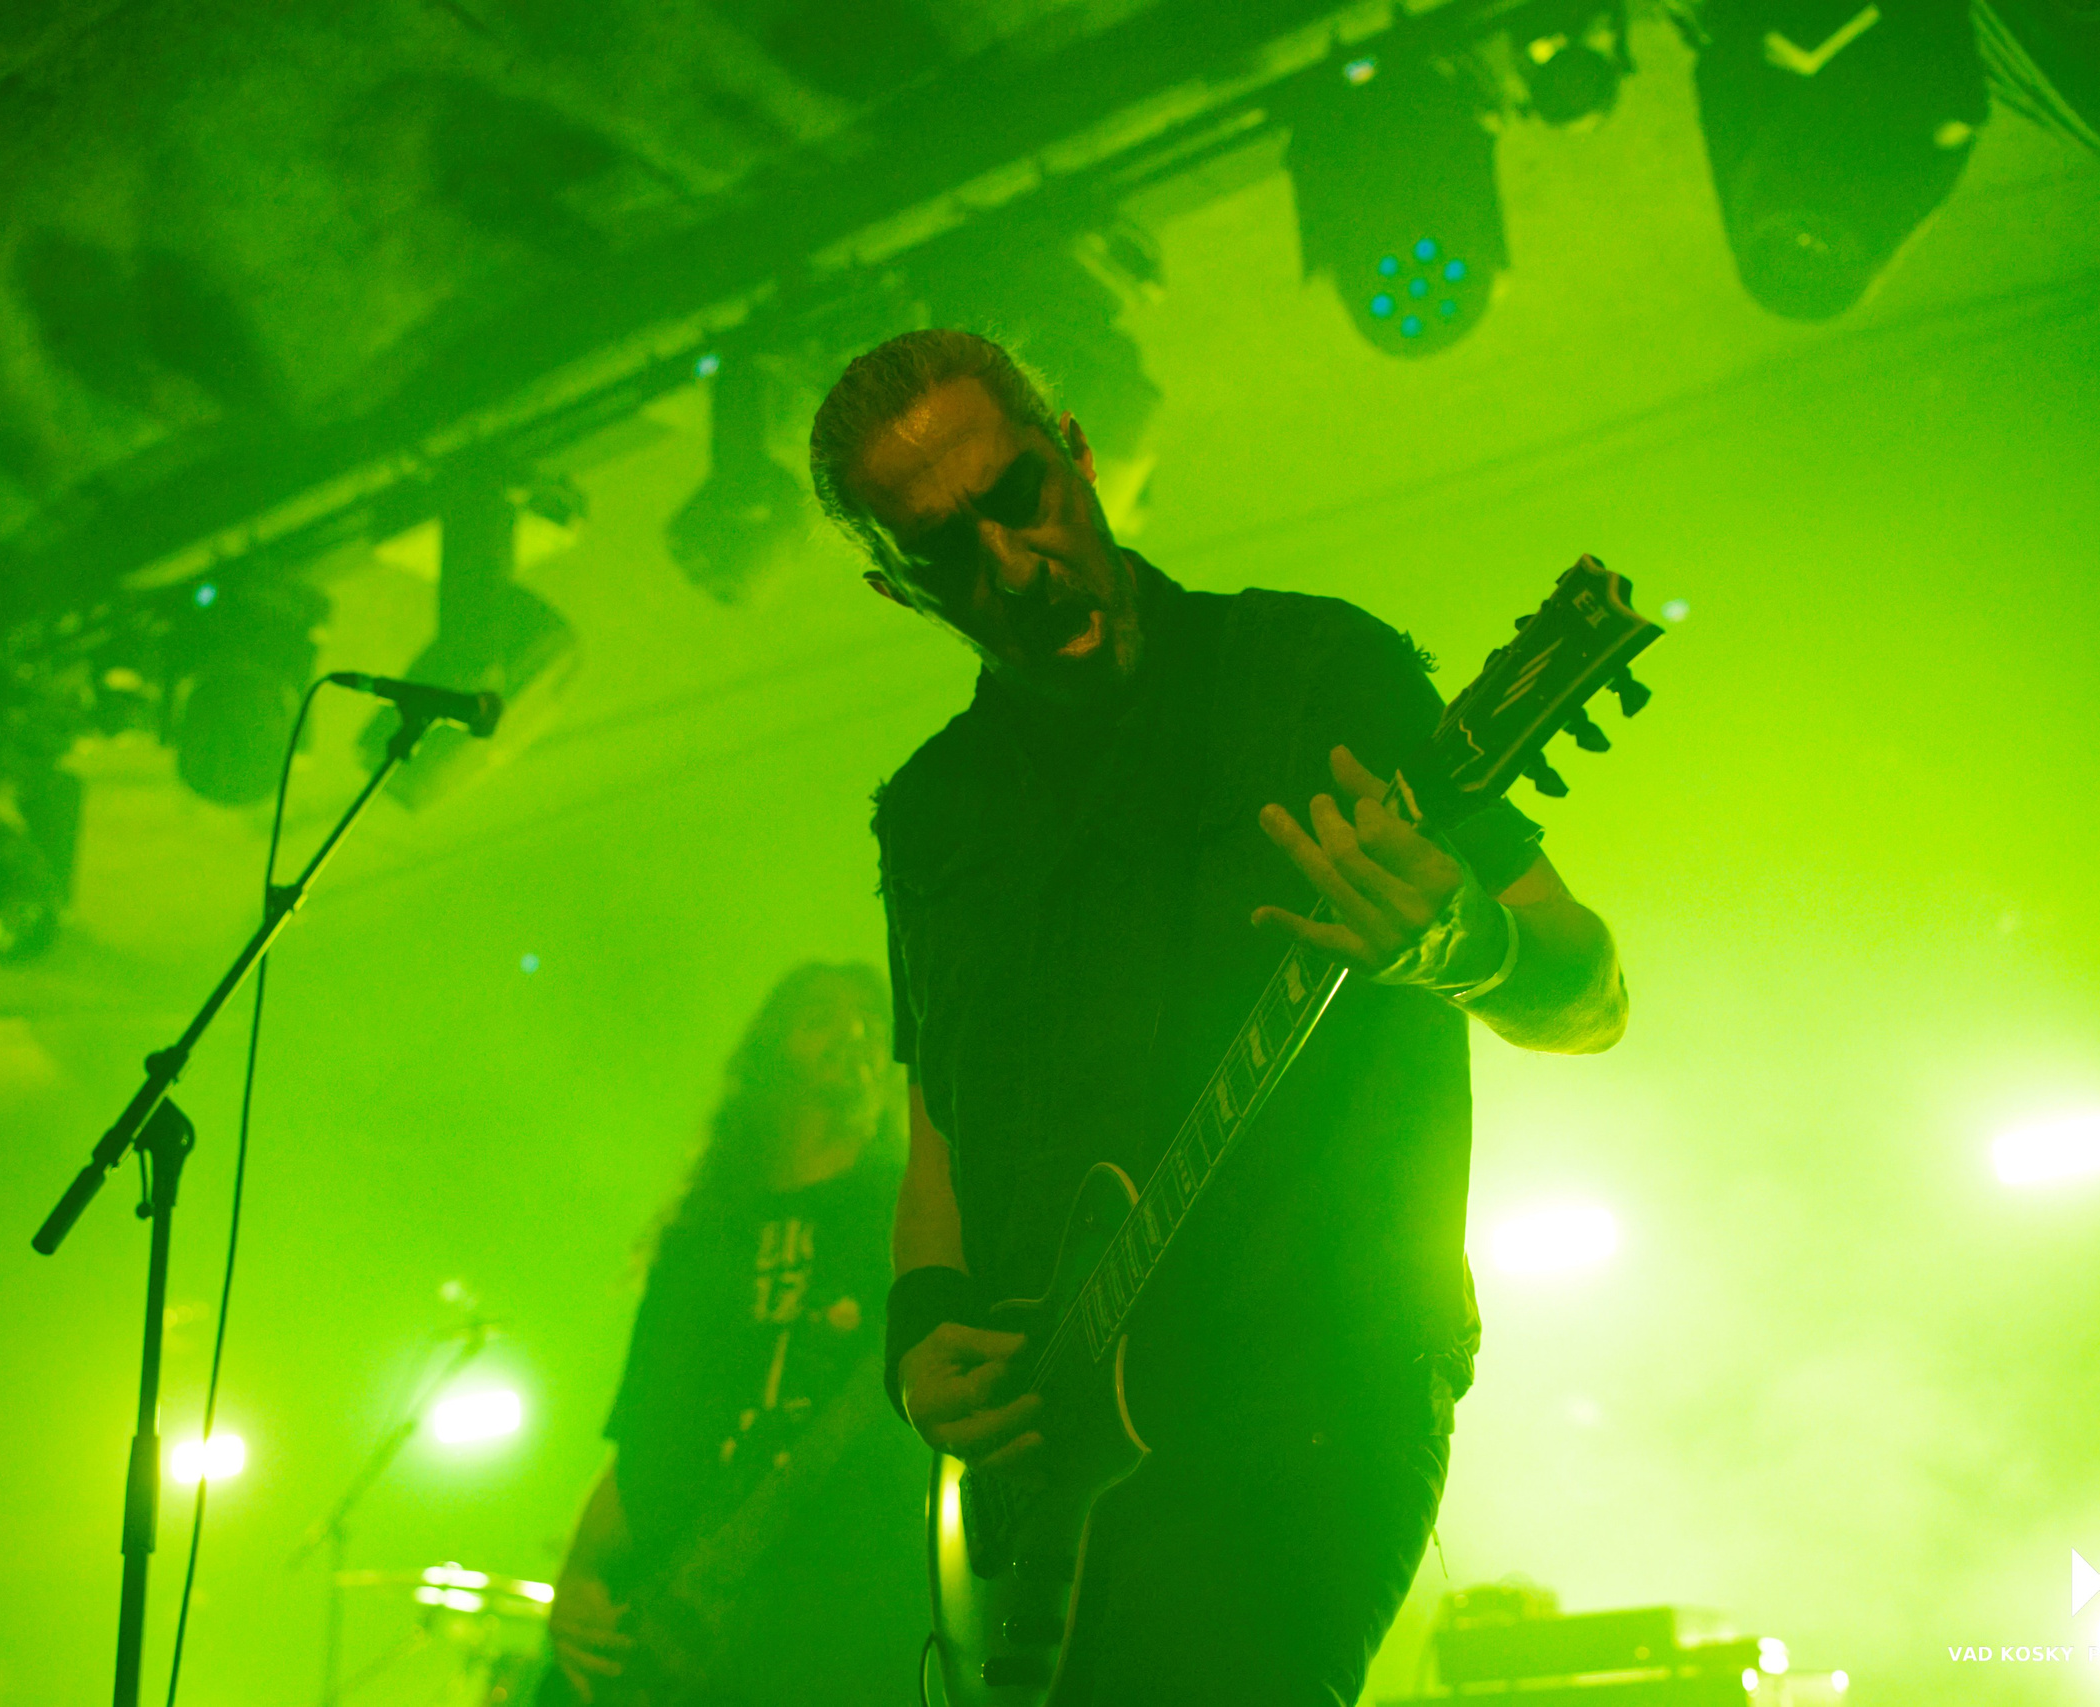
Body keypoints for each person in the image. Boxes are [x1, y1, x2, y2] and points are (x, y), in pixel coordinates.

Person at [808, 329, 1630, 1705]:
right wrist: (921, 1332)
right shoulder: (935, 812)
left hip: (1310, 1388)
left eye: (1018, 494)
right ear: (902, 587)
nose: (1012, 561)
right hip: (1048, 1447)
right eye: (949, 550)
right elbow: (939, 1110)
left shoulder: (1307, 672)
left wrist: (1461, 943)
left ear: (1072, 449)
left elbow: (1588, 991)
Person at [542, 962, 930, 1705]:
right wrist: (578, 1580)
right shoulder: (700, 1237)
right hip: (672, 1627)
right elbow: (643, 1437)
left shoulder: (910, 1208)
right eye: (821, 1013)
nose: (854, 1032)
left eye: (872, 1021)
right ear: (767, 1051)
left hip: (840, 1619)